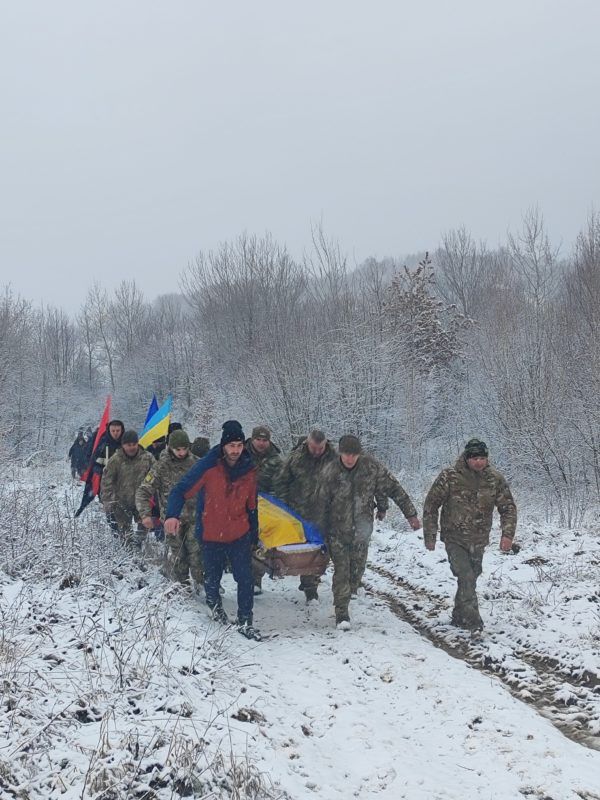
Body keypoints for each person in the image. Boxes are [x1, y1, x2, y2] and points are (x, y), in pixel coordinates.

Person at [164, 420, 261, 641]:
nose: (235, 451)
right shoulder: (208, 466)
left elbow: (252, 503)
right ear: (223, 446)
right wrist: (171, 515)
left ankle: (246, 620)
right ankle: (214, 605)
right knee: (213, 576)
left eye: (239, 445)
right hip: (211, 533)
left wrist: (254, 532)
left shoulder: (249, 468)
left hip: (239, 532)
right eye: (231, 446)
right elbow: (180, 490)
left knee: (245, 578)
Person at [318, 434, 421, 630]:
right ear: (340, 453)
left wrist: (411, 515)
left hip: (362, 529)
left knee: (356, 570)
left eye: (354, 455)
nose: (350, 459)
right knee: (342, 571)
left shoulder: (370, 467)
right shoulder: (329, 472)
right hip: (337, 530)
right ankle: (342, 614)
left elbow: (393, 488)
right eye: (346, 454)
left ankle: (353, 588)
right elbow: (319, 505)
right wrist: (318, 533)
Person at [422, 438, 517, 631]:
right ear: (466, 458)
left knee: (472, 576)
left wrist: (507, 534)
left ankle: (459, 614)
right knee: (465, 575)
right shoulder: (450, 476)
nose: (479, 462)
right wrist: (430, 534)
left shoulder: (494, 479)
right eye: (474, 458)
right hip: (454, 537)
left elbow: (507, 507)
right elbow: (431, 505)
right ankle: (473, 620)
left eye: (482, 458)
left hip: (479, 539)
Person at [274, 429, 337, 602]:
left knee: (319, 551)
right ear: (307, 443)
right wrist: (283, 507)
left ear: (326, 444)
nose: (317, 451)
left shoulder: (334, 459)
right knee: (302, 551)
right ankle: (300, 577)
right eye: (313, 448)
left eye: (320, 448)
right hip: (298, 512)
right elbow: (282, 481)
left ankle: (311, 587)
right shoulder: (296, 458)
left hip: (324, 513)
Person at [136, 430, 202, 586]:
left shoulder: (197, 464)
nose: (181, 453)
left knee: (198, 553)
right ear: (170, 448)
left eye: (184, 449)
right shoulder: (161, 467)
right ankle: (182, 586)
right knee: (178, 555)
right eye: (177, 449)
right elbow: (143, 490)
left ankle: (203, 583)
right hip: (172, 520)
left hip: (195, 517)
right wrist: (145, 514)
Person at [101, 430, 154, 548]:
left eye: (134, 444)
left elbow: (156, 476)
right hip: (121, 501)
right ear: (123, 445)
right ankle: (129, 553)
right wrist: (108, 501)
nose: (132, 448)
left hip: (142, 501)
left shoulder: (147, 458)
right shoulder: (115, 460)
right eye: (128, 445)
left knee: (143, 529)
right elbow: (106, 482)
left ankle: (139, 545)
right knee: (125, 533)